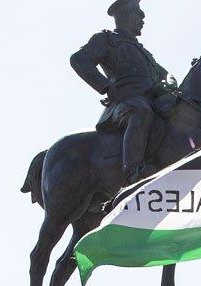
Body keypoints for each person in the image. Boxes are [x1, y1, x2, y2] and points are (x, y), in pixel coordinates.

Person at [70, 0, 178, 183]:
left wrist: (170, 86)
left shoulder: (145, 53)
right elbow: (79, 60)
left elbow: (166, 74)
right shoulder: (107, 40)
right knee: (140, 112)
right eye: (138, 14)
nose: (142, 19)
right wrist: (106, 86)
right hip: (125, 103)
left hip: (150, 99)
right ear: (125, 15)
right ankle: (133, 171)